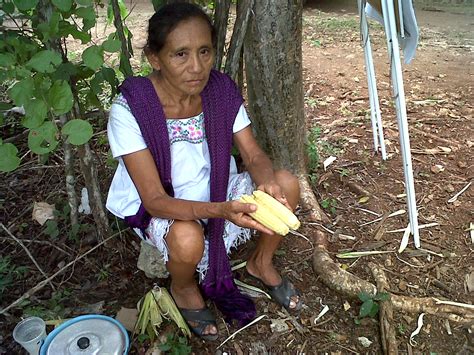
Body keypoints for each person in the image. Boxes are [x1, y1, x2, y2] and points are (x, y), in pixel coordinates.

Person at [106, 2, 302, 341]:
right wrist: (222, 211)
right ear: (155, 58)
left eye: (204, 51)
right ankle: (183, 287)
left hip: (216, 188)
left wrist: (267, 180)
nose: (196, 67)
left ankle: (260, 263)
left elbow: (252, 154)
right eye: (180, 54)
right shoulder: (131, 109)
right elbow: (154, 200)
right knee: (186, 237)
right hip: (167, 201)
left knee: (288, 184)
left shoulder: (220, 91)